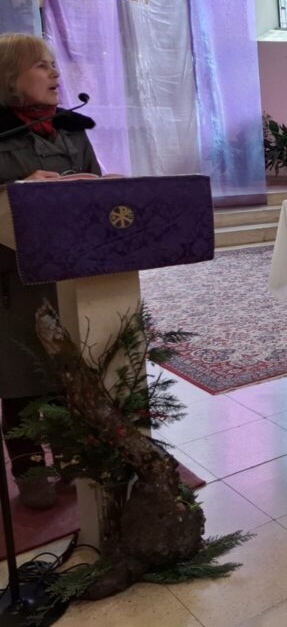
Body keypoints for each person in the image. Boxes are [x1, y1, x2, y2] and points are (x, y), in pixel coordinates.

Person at [0, 32, 102, 509]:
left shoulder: (71, 129)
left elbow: (94, 181)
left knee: (66, 373)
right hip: (13, 279)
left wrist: (102, 185)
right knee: (19, 378)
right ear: (10, 77)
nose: (55, 73)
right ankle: (29, 470)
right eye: (42, 65)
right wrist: (18, 187)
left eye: (54, 64)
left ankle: (69, 455)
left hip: (69, 272)